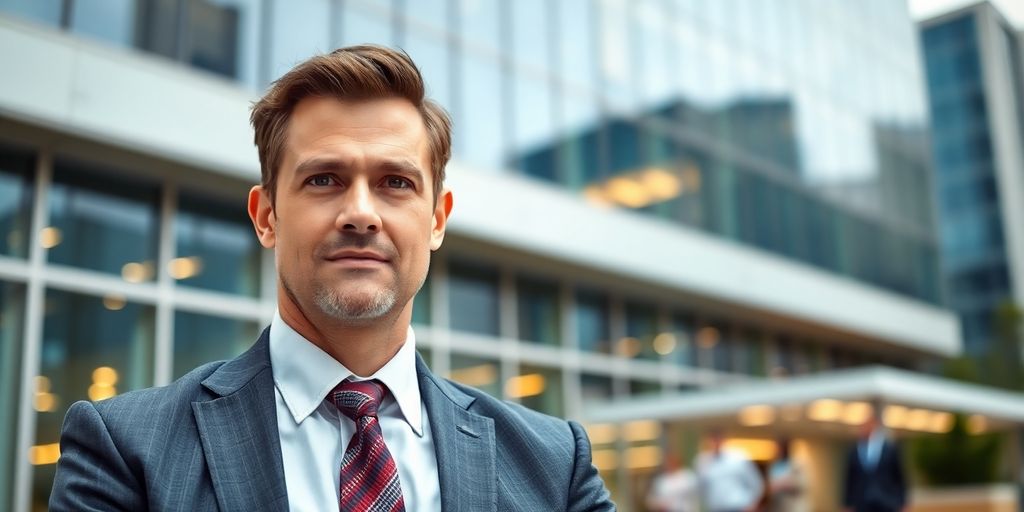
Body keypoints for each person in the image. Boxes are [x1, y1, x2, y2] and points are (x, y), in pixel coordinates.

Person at [49, 45, 614, 511]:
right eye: (324, 179)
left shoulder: (555, 464)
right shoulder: (125, 452)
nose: (361, 212)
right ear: (266, 216)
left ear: (437, 219)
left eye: (396, 182)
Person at [842, 413, 907, 512]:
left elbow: (899, 476)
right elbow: (850, 479)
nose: (864, 428)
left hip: (886, 502)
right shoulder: (854, 451)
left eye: (867, 425)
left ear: (874, 426)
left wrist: (902, 502)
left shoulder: (889, 448)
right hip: (862, 504)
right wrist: (847, 503)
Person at [694, 430, 764, 512]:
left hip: (738, 507)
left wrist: (753, 505)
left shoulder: (738, 458)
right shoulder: (703, 461)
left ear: (723, 441)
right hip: (715, 508)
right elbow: (700, 488)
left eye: (717, 440)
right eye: (712, 441)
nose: (715, 444)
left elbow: (756, 483)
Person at [767, 439, 808, 512]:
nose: (778, 451)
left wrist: (784, 486)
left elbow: (803, 486)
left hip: (792, 506)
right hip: (777, 505)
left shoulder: (797, 464)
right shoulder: (774, 465)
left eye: (781, 448)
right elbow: (770, 485)